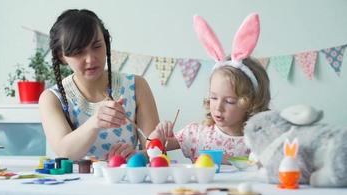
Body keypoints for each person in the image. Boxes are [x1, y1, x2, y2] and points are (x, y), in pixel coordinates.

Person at [149, 13, 270, 163]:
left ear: (251, 103)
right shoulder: (196, 134)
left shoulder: (262, 141)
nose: (218, 107)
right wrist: (157, 135)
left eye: (230, 101)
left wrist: (232, 161)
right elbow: (153, 150)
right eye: (214, 97)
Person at [39, 9, 159, 161]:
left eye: (97, 47)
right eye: (78, 52)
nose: (90, 59)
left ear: (106, 44)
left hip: (129, 180)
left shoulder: (136, 86)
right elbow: (65, 152)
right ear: (61, 56)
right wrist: (95, 122)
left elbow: (155, 148)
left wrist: (135, 155)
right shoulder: (52, 98)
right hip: (76, 184)